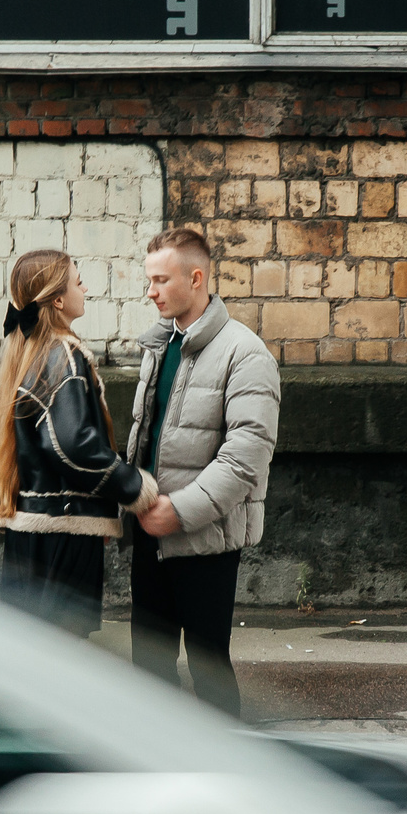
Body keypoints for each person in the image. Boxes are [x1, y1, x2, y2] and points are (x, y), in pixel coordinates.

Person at [124, 228, 281, 715]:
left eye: (160, 280)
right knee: (147, 665)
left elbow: (246, 456)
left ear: (196, 278)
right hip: (149, 526)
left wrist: (181, 511)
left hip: (204, 536)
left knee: (208, 666)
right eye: (149, 280)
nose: (151, 291)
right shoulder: (160, 345)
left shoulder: (245, 353)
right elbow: (146, 437)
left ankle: (226, 770)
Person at [0, 248, 159, 635]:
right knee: (64, 655)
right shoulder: (63, 355)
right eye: (77, 281)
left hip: (28, 534)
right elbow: (73, 446)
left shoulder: (24, 353)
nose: (85, 288)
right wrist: (135, 487)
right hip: (63, 532)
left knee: (34, 651)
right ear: (58, 298)